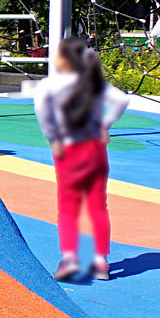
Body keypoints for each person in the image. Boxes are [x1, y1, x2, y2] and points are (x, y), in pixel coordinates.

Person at [33, 37, 131, 281]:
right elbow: (122, 99)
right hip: (95, 147)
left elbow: (44, 115)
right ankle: (100, 261)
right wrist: (106, 123)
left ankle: (70, 258)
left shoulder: (50, 85)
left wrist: (52, 136)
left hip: (68, 148)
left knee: (68, 205)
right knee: (98, 204)